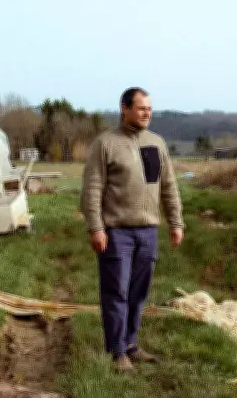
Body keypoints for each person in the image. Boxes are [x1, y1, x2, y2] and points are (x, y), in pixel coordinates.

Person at [80, 87, 185, 372]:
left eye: (149, 109)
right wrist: (96, 227)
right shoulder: (105, 144)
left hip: (148, 232)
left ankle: (130, 344)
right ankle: (116, 351)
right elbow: (92, 189)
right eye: (141, 108)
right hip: (117, 232)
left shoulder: (156, 143)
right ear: (124, 108)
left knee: (138, 293)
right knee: (116, 292)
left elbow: (168, 186)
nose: (147, 113)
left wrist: (175, 222)